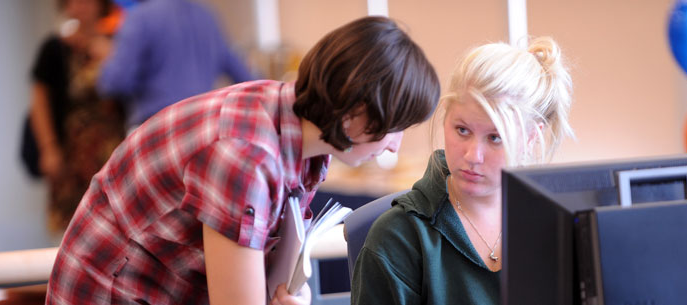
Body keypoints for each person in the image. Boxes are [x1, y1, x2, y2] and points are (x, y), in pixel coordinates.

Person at [46, 16, 440, 305]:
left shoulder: (298, 131)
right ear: (354, 112)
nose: (394, 146)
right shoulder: (245, 156)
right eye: (394, 128)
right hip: (110, 291)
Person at [351, 37, 574, 304]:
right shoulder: (398, 238)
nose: (472, 156)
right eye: (462, 130)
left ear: (530, 138)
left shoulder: (559, 227)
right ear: (445, 116)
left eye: (494, 137)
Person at [27, 0, 126, 235]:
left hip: (111, 147)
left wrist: (109, 56)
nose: (80, 6)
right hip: (71, 151)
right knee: (71, 225)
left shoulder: (118, 43)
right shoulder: (55, 48)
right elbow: (40, 103)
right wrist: (48, 147)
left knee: (113, 223)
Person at [96, 0, 255, 131]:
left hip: (154, 132)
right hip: (203, 129)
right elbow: (247, 78)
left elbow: (115, 83)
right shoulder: (207, 16)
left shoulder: (139, 18)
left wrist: (107, 57)